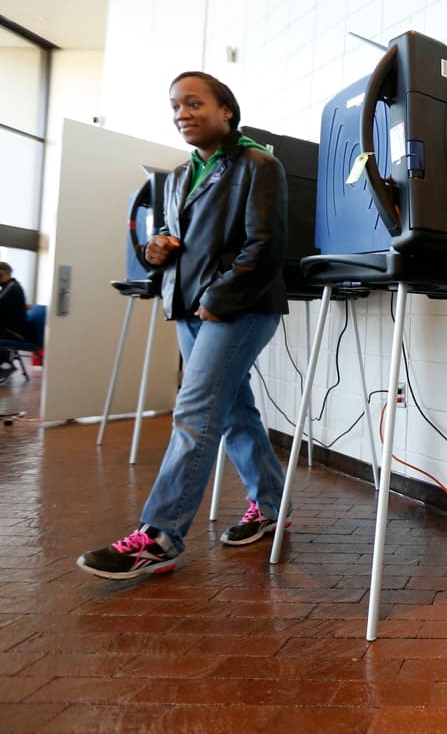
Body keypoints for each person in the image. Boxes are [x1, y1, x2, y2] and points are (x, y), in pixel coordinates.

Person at [78, 71, 290, 580]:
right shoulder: (176, 177)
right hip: (188, 307)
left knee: (195, 413)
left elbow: (266, 245)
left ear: (227, 112)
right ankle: (272, 505)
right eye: (175, 107)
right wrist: (153, 251)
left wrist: (219, 298)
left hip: (236, 309)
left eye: (194, 103)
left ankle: (160, 536)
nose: (182, 114)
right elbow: (171, 240)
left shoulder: (259, 164)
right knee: (235, 410)